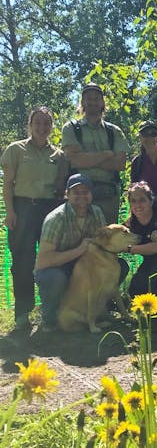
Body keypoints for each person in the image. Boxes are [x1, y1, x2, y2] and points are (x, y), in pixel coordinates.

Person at [0, 107, 68, 330]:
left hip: (49, 210)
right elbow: (8, 184)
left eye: (47, 123)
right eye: (38, 123)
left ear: (52, 127)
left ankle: (50, 311)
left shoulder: (59, 156)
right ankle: (22, 314)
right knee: (22, 262)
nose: (42, 127)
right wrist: (10, 212)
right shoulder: (15, 149)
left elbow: (61, 188)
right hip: (22, 207)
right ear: (30, 124)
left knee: (50, 260)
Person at [34, 174, 116, 332]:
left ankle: (94, 314)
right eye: (76, 192)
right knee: (53, 278)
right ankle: (50, 319)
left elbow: (104, 244)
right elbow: (43, 261)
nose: (81, 195)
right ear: (67, 194)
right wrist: (79, 250)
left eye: (85, 191)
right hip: (58, 266)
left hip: (85, 264)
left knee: (120, 268)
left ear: (91, 195)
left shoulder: (97, 212)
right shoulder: (56, 218)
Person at [62, 83, 129, 224]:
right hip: (79, 194)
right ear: (82, 102)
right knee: (79, 237)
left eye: (96, 98)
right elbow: (75, 161)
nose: (92, 102)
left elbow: (120, 164)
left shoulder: (114, 131)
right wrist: (107, 154)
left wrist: (86, 158)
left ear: (103, 102)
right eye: (88, 98)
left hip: (108, 194)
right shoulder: (71, 128)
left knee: (107, 238)